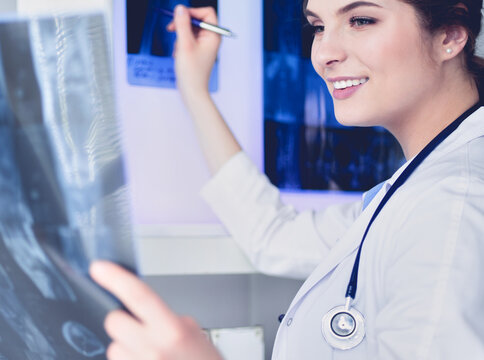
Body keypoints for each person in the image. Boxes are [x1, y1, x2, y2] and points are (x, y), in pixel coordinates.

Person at [90, 0, 484, 358]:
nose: (324, 54)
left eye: (361, 20)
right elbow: (272, 234)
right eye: (317, 27)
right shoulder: (417, 185)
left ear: (449, 36)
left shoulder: (450, 204)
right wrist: (195, 88)